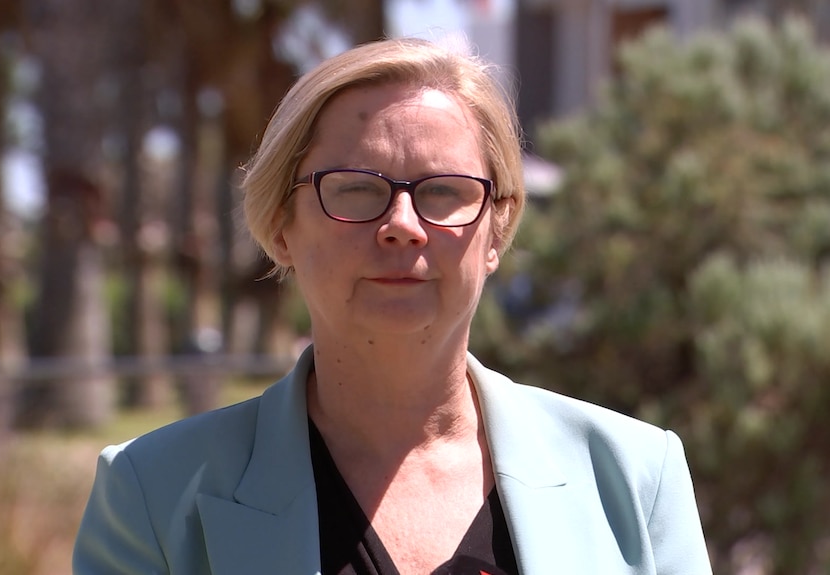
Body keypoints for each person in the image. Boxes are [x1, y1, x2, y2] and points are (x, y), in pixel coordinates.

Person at [73, 38, 712, 574]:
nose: (402, 225)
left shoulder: (634, 478)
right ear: (279, 226)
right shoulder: (152, 494)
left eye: (443, 191)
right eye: (354, 188)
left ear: (497, 228)